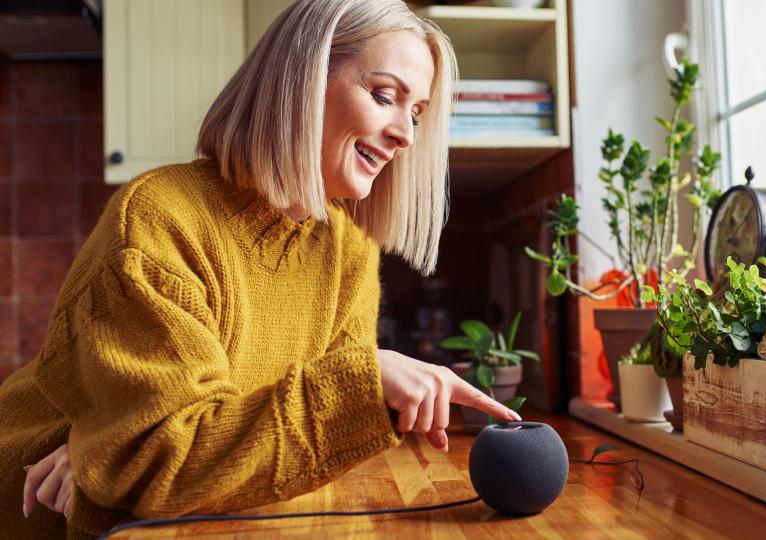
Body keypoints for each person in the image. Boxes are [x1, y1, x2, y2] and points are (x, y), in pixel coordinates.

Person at [0, 1, 521, 538]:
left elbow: (271, 453)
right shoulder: (160, 217)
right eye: (385, 96)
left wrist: (109, 454)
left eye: (415, 113)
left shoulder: (347, 251)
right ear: (301, 81)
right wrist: (118, 451)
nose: (406, 135)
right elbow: (165, 462)